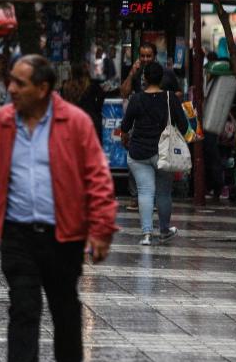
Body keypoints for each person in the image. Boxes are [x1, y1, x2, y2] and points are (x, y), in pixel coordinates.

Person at [0, 54, 118, 362]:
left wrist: (101, 229)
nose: (11, 88)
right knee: (23, 308)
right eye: (11, 81)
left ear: (43, 88)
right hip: (17, 234)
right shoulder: (1, 123)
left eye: (20, 83)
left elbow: (97, 176)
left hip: (63, 234)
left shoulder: (74, 122)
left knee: (64, 308)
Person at [120, 62, 187, 245]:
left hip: (139, 153)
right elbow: (183, 126)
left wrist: (125, 138)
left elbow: (125, 127)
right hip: (163, 153)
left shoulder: (136, 99)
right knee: (163, 193)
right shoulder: (170, 98)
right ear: (162, 78)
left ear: (144, 78)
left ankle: (147, 234)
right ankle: (164, 230)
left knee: (145, 192)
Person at [120, 43, 182, 211]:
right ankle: (136, 197)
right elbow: (124, 93)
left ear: (155, 56)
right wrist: (131, 73)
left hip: (160, 125)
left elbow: (178, 93)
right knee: (136, 159)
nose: (145, 59)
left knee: (157, 161)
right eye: (142, 56)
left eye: (149, 56)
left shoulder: (165, 73)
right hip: (139, 124)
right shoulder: (136, 73)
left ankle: (152, 198)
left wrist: (166, 101)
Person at [60, 61, 105, 142]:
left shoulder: (65, 86)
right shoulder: (92, 85)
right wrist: (96, 110)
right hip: (90, 120)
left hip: (72, 123)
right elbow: (101, 97)